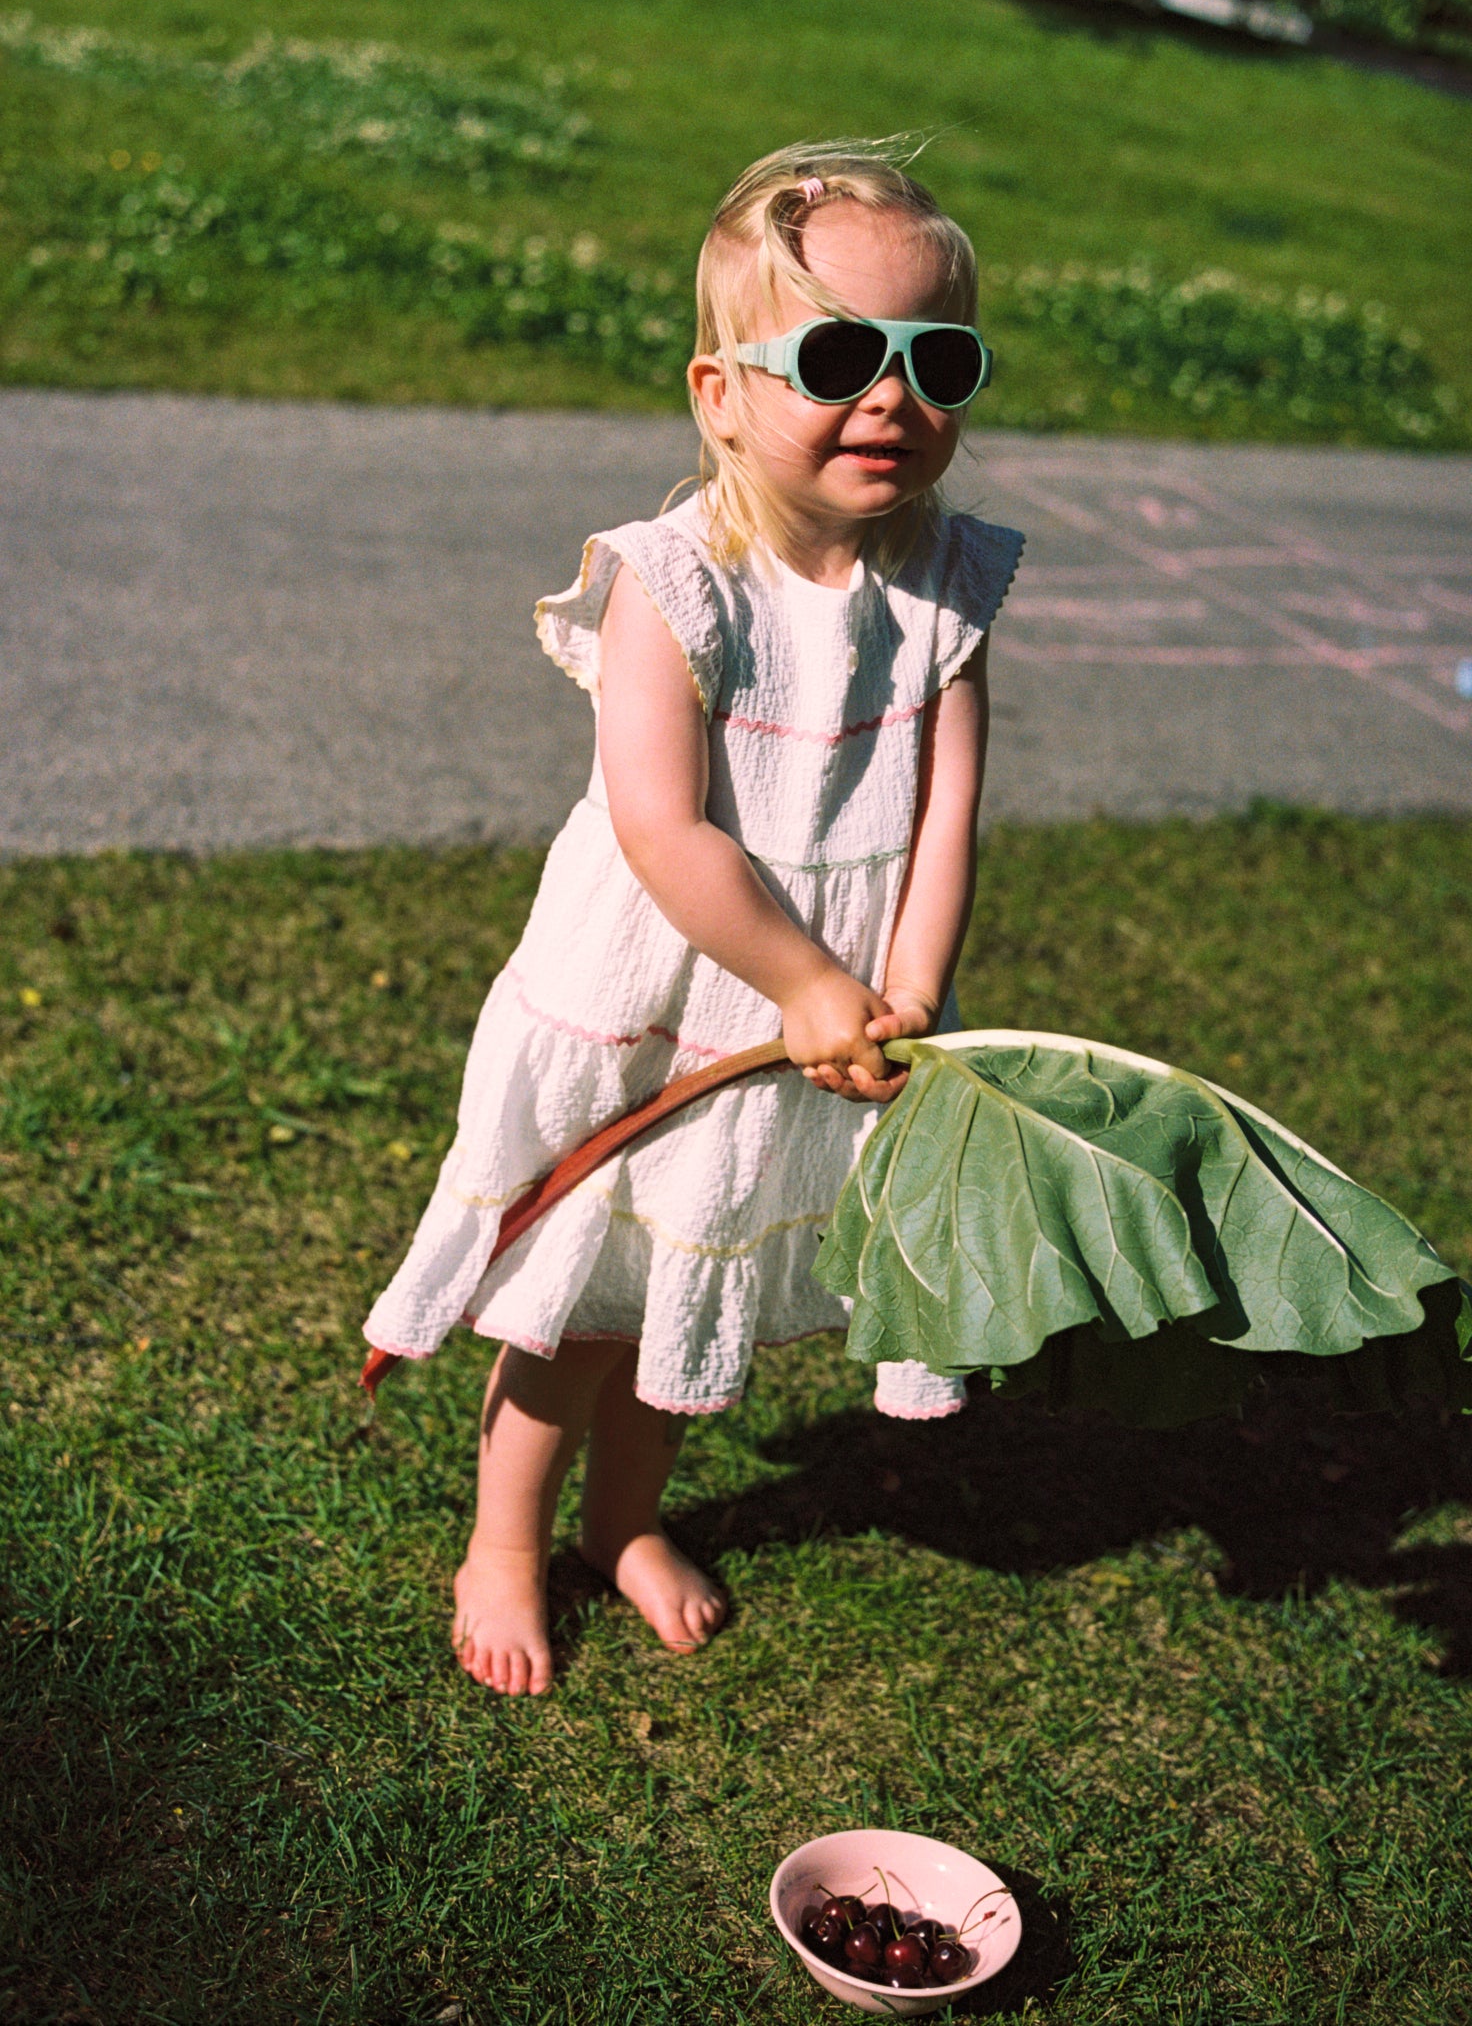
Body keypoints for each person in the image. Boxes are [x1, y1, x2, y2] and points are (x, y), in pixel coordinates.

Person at [363, 140, 1023, 1695]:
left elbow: (945, 813)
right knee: (583, 1303)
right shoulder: (677, 584)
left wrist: (905, 988)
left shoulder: (948, 584)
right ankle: (504, 1543)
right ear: (721, 395)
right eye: (842, 359)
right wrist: (802, 978)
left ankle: (625, 1522)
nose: (894, 398)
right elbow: (665, 831)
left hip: (821, 1006)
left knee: (691, 1284)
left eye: (938, 361)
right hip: (664, 998)